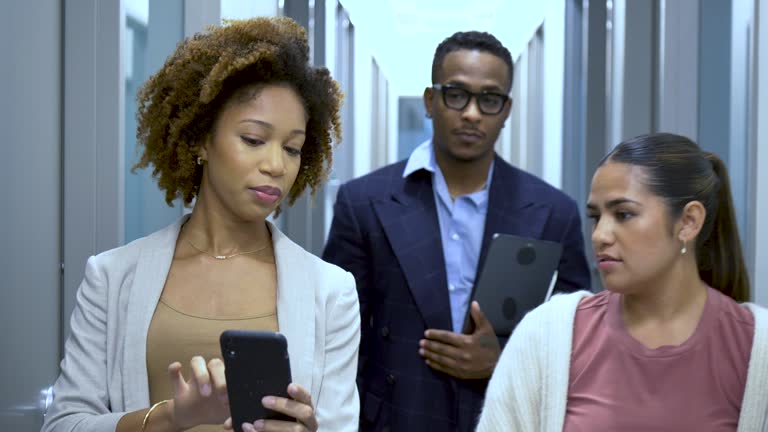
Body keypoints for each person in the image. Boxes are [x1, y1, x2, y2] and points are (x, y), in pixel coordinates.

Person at [42, 17, 359, 432]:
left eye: (293, 148)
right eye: (253, 139)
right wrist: (170, 419)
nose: (276, 165)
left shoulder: (331, 292)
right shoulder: (112, 276)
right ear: (200, 141)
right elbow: (63, 424)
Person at [322, 30, 591, 431]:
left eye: (489, 99)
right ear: (431, 102)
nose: (471, 113)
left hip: (506, 415)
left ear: (506, 109)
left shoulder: (554, 213)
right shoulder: (363, 203)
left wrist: (503, 359)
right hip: (396, 416)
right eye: (456, 94)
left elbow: (577, 339)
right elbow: (337, 337)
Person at [476, 133, 768, 431]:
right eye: (596, 217)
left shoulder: (758, 348)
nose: (600, 235)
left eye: (623, 214)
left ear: (688, 222)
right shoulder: (544, 336)